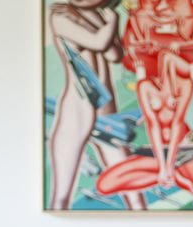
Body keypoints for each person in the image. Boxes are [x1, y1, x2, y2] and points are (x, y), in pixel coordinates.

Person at [97, 0, 193, 196]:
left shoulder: (184, 84)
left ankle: (174, 173)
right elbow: (153, 126)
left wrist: (167, 167)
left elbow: (177, 123)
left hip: (180, 151)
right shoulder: (145, 87)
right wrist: (164, 168)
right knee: (104, 185)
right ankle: (175, 176)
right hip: (158, 154)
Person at [47, 0, 145, 210]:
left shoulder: (98, 16)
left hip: (106, 114)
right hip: (76, 111)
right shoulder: (60, 16)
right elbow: (99, 43)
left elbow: (114, 54)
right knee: (61, 197)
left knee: (134, 195)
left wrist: (110, 23)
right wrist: (114, 20)